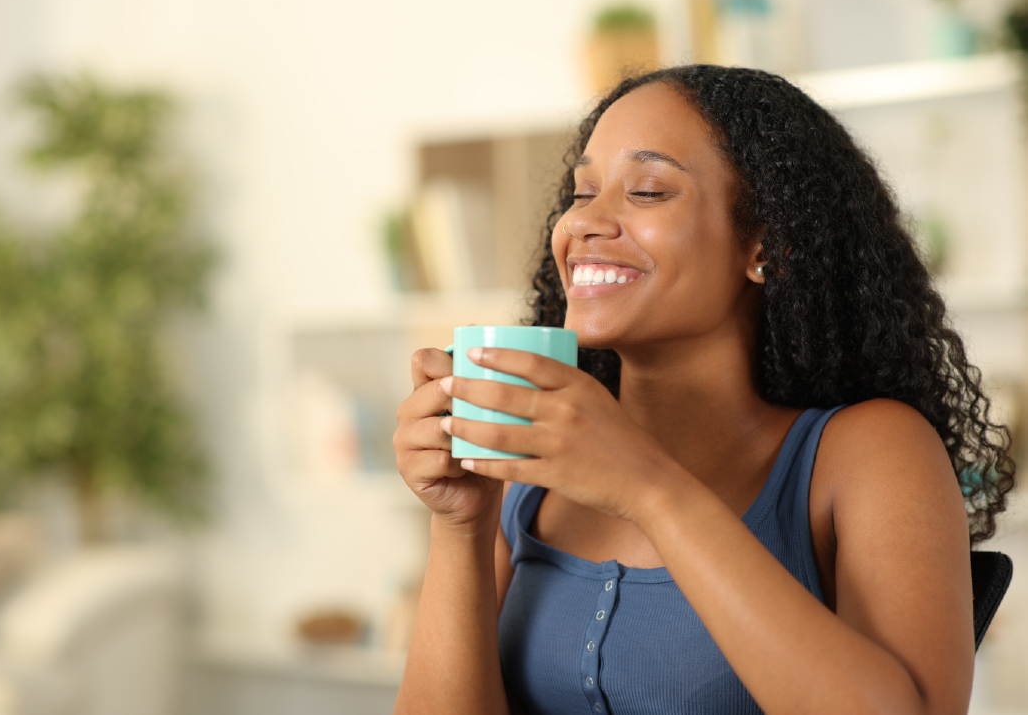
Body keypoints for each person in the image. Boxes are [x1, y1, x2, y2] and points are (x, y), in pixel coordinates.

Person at [392, 65, 1015, 714]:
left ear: (767, 246)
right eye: (581, 194)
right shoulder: (528, 475)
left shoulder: (867, 454)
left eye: (649, 190)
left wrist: (647, 487)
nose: (585, 224)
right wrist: (460, 526)